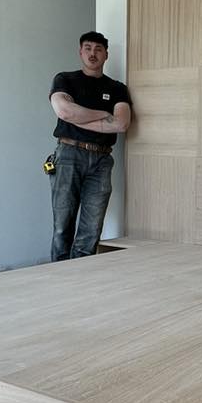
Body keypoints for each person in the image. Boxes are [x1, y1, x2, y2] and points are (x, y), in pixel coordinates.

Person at [48, 32, 133, 261]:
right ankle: (59, 278)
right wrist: (105, 115)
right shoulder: (65, 79)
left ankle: (82, 282)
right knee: (61, 227)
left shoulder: (117, 88)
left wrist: (80, 117)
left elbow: (122, 123)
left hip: (101, 161)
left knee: (92, 229)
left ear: (106, 54)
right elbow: (64, 111)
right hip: (68, 155)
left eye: (98, 49)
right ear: (80, 52)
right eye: (87, 48)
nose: (92, 53)